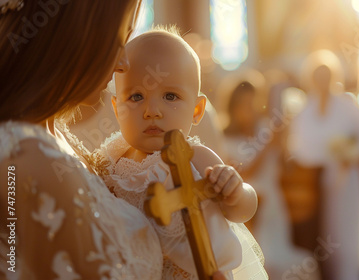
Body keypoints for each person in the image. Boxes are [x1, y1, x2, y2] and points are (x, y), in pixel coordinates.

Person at [0, 0, 168, 279]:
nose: (123, 63)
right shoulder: (26, 156)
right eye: (117, 39)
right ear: (73, 32)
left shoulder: (54, 138)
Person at [92, 27, 267, 280]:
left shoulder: (197, 158)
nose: (152, 110)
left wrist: (236, 192)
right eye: (136, 96)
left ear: (196, 110)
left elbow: (241, 212)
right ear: (117, 107)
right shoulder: (110, 162)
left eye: (170, 96)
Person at [289, 50, 359, 280]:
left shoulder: (346, 104)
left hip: (345, 177)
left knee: (346, 233)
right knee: (324, 234)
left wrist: (350, 154)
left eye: (326, 75)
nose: (322, 80)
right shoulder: (305, 108)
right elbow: (295, 147)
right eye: (317, 75)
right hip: (315, 182)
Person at [223, 80, 320, 280]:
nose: (248, 109)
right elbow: (243, 174)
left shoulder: (263, 127)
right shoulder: (226, 139)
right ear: (233, 108)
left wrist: (282, 137)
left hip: (275, 206)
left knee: (292, 259)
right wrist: (267, 142)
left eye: (252, 103)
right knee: (265, 262)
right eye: (243, 104)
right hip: (249, 209)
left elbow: (285, 162)